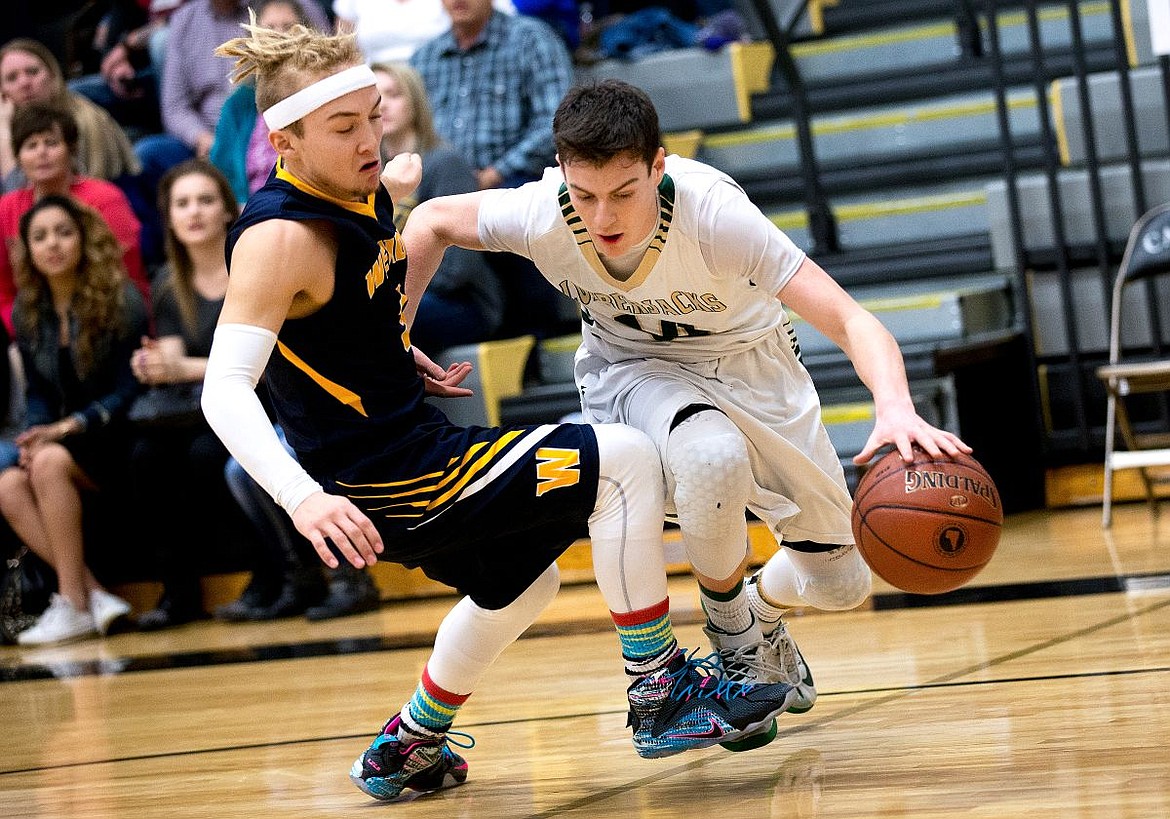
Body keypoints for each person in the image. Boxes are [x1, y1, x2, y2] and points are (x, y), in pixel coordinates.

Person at [206, 21, 796, 801]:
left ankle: (410, 741)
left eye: (373, 116)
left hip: (407, 439)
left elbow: (340, 317)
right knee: (620, 460)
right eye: (342, 128)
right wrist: (302, 495)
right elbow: (223, 389)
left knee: (524, 584)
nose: (368, 140)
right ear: (284, 142)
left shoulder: (357, 190)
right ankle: (659, 693)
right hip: (378, 474)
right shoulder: (279, 237)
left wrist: (386, 351)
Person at [402, 79, 973, 744]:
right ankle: (732, 640)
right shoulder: (542, 213)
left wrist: (896, 408)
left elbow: (849, 317)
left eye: (624, 192)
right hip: (633, 373)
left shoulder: (714, 218)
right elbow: (430, 220)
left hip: (754, 369)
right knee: (709, 454)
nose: (602, 216)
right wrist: (398, 333)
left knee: (841, 580)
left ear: (658, 166)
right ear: (562, 173)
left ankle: (757, 611)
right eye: (584, 195)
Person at [0, 195, 148, 645]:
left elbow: (131, 389)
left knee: (46, 463)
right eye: (40, 237)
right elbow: (42, 395)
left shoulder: (120, 298)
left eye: (64, 232)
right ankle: (96, 595)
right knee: (6, 483)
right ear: (28, 249)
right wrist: (37, 431)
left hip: (117, 436)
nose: (53, 245)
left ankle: (73, 603)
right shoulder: (29, 310)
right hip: (64, 442)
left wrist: (69, 427)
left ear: (83, 239)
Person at [127, 159, 240, 630]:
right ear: (170, 217)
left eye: (205, 201)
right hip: (198, 407)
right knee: (145, 455)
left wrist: (183, 367)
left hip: (255, 400)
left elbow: (268, 362)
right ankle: (179, 591)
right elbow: (171, 360)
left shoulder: (247, 269)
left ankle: (265, 575)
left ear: (228, 212)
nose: (194, 212)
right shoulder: (169, 284)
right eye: (182, 203)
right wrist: (152, 365)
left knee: (203, 455)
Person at [371, 61, 502, 352]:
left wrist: (395, 297)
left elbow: (458, 268)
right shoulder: (366, 176)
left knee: (374, 326)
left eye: (394, 95)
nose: (383, 106)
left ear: (415, 102)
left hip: (463, 303)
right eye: (375, 98)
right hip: (397, 297)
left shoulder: (445, 164)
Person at [0, 104, 151, 337]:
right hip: (36, 327)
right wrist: (23, 330)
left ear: (71, 150)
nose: (42, 153)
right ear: (18, 158)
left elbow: (126, 274)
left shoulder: (105, 198)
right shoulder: (7, 207)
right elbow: (4, 290)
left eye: (51, 143)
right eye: (31, 145)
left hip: (109, 318)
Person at [210, 0, 316, 205]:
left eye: (289, 27)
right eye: (269, 29)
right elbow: (221, 171)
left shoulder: (322, 92)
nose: (279, 36)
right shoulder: (240, 102)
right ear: (255, 38)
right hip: (250, 211)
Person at [0, 38, 141, 191]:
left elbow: (29, 206)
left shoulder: (84, 119)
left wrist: (4, 136)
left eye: (33, 72)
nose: (24, 83)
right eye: (12, 78)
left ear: (53, 76)